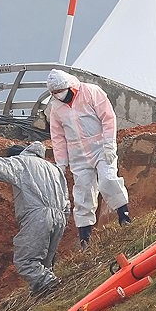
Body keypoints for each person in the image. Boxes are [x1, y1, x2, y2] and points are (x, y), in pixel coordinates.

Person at [0, 142, 69, 295]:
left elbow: (1, 166)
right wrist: (63, 220)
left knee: (25, 260)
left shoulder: (21, 162)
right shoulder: (54, 169)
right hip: (60, 217)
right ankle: (45, 293)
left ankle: (49, 284)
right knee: (45, 261)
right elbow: (66, 199)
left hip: (37, 215)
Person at [45, 69, 131, 248]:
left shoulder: (91, 92)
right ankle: (85, 238)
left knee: (108, 180)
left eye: (58, 92)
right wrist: (61, 163)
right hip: (78, 156)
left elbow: (108, 118)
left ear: (69, 87)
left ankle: (124, 217)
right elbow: (58, 137)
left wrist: (108, 144)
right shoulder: (56, 108)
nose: (58, 96)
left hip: (100, 148)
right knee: (82, 194)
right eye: (53, 94)